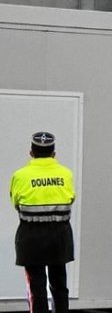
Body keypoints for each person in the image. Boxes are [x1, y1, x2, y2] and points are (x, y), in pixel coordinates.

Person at [9, 132, 75, 313]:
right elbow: (71, 199)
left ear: (31, 153)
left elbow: (16, 203)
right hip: (60, 236)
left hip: (32, 236)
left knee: (36, 287)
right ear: (54, 154)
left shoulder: (20, 176)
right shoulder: (66, 174)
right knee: (60, 283)